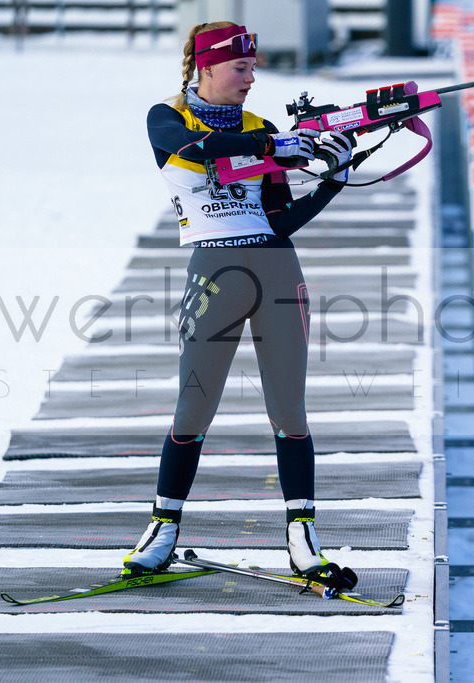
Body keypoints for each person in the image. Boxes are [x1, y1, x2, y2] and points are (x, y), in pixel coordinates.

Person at [122, 21, 352, 578]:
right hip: (214, 267)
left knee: (289, 410)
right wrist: (272, 147)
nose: (251, 78)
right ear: (205, 67)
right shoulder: (167, 117)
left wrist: (331, 180)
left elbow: (281, 220)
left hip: (276, 267)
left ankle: (302, 534)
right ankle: (163, 525)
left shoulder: (263, 126)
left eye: (253, 68)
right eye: (240, 68)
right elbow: (196, 151)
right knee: (193, 406)